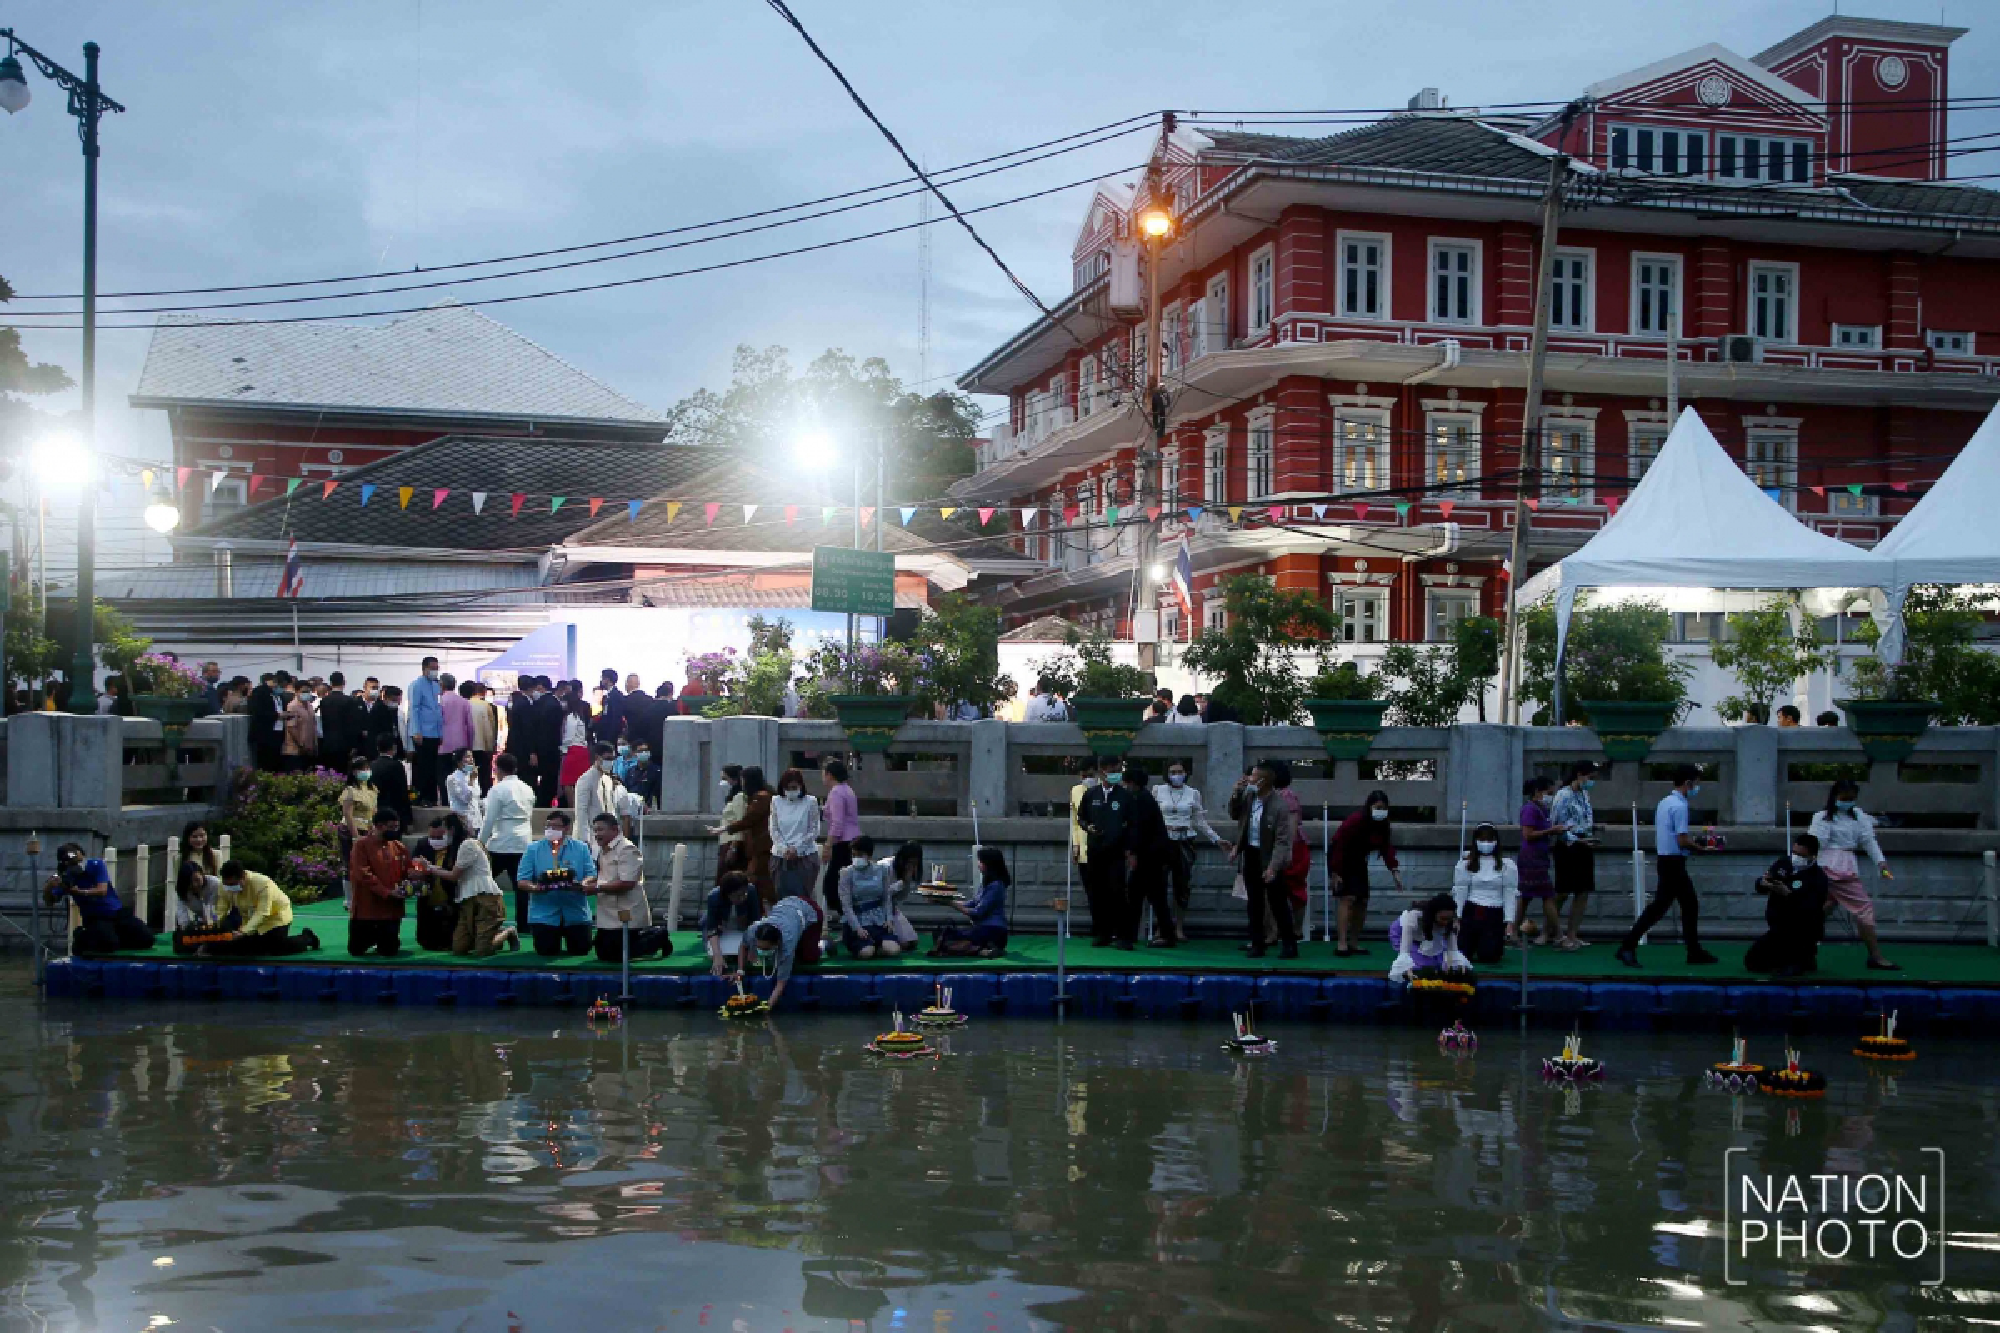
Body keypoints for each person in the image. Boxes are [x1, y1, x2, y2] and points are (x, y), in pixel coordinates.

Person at [1615, 765, 1718, 968]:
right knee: (1663, 908)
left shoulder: (1665, 802)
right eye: (1696, 783)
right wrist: (1701, 848)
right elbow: (1681, 840)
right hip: (1673, 862)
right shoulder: (1680, 807)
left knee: (1682, 905)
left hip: (1667, 860)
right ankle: (1628, 946)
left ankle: (1693, 950)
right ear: (1688, 783)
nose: (1697, 788)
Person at [1808, 779, 1899, 970]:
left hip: (1843, 865)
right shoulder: (1822, 817)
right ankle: (1875, 956)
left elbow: (1868, 841)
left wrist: (1881, 863)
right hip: (1831, 867)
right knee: (1863, 909)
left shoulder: (1859, 816)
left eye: (1852, 798)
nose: (1848, 802)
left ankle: (1803, 948)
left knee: (1824, 907)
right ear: (1834, 797)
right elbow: (1816, 842)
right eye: (1844, 798)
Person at [1227, 760, 1300, 958]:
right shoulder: (1249, 797)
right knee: (1254, 903)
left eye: (1254, 777)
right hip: (1251, 852)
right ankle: (1257, 943)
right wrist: (1236, 793)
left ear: (1264, 781)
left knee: (1277, 902)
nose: (1249, 779)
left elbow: (1282, 841)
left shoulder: (1279, 806)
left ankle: (1289, 943)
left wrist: (1273, 868)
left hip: (1269, 856)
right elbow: (1235, 815)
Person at [419, 811, 516, 957]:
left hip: (485, 897)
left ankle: (508, 932)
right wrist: (430, 866)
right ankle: (487, 936)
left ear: (452, 829)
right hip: (467, 898)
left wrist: (430, 868)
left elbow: (453, 876)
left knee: (483, 951)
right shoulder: (461, 846)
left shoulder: (468, 844)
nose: (442, 836)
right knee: (458, 949)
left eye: (443, 831)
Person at [1328, 790, 1404, 957]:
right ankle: (1342, 943)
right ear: (1369, 806)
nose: (1380, 811)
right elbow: (1339, 845)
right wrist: (1335, 871)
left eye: (1383, 808)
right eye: (1377, 807)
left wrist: (1394, 870)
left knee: (1362, 900)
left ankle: (1354, 941)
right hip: (1341, 857)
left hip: (1359, 860)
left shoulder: (1383, 824)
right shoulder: (1356, 820)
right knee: (1348, 898)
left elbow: (1386, 848)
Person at [588, 811, 671, 963]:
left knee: (616, 955)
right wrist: (590, 881)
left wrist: (597, 888)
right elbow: (608, 875)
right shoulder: (603, 849)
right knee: (602, 953)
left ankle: (659, 936)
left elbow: (627, 883)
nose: (596, 834)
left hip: (626, 910)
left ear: (615, 829)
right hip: (608, 910)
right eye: (595, 830)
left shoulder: (627, 849)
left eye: (600, 829)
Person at [1744, 832, 1832, 976]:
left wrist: (1789, 894)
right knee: (1753, 962)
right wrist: (1763, 883)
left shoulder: (1818, 878)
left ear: (1812, 856)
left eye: (1801, 855)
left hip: (1801, 931)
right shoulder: (1783, 864)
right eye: (1794, 853)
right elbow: (1761, 884)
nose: (1796, 858)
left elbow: (1811, 910)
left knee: (1788, 970)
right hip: (1779, 927)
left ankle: (1804, 956)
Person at [1152, 759, 1220, 941]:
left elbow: (1199, 821)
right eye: (1173, 771)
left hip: (1184, 841)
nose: (1177, 775)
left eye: (1180, 771)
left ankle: (1178, 927)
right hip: (1163, 842)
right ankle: (1161, 926)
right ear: (1167, 774)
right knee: (1159, 885)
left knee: (1181, 886)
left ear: (1186, 773)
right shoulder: (1158, 790)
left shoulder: (1193, 793)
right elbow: (1151, 817)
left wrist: (1216, 838)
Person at [46, 843, 156, 954]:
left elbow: (102, 890)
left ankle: (109, 937)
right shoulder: (67, 877)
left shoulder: (95, 864)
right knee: (109, 944)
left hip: (116, 912)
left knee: (147, 939)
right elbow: (50, 901)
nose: (78, 864)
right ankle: (83, 937)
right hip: (95, 917)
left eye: (77, 858)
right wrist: (50, 886)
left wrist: (80, 891)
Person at [1077, 756, 1137, 949]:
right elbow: (1081, 818)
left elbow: (1132, 825)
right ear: (1102, 771)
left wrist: (1130, 850)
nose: (1115, 774)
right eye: (1111, 770)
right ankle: (1102, 933)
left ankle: (1124, 936)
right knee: (1098, 893)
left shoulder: (1125, 796)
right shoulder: (1091, 794)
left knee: (1118, 892)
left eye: (1117, 770)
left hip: (1116, 852)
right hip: (1095, 851)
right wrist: (1088, 828)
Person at [517, 810, 595, 956]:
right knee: (546, 951)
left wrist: (582, 884)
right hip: (544, 913)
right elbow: (522, 881)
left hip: (575, 911)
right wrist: (536, 888)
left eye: (556, 826)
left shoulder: (581, 848)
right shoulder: (533, 849)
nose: (551, 830)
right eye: (548, 826)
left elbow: (591, 874)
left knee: (581, 950)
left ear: (567, 828)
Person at [1121, 764, 1179, 948]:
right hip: (1154, 856)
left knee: (1138, 897)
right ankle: (1164, 935)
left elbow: (1139, 831)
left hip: (1149, 857)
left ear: (1132, 783)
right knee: (1153, 898)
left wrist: (1132, 853)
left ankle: (1130, 937)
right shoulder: (1144, 798)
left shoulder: (1140, 801)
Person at [207, 862, 319, 956]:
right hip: (249, 920)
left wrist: (244, 931)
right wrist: (213, 923)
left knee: (274, 949)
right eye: (227, 884)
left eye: (232, 884)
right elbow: (221, 908)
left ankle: (307, 938)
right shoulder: (224, 885)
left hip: (275, 918)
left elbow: (262, 912)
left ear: (243, 877)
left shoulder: (262, 883)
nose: (229, 888)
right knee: (247, 948)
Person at [480, 753, 538, 932]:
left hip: (500, 842)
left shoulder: (497, 789)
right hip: (523, 841)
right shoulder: (527, 788)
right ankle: (524, 924)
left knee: (481, 879)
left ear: (497, 769)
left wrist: (479, 843)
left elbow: (489, 820)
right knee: (521, 886)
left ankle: (478, 915)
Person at [740, 895, 823, 1011]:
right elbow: (743, 946)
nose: (762, 951)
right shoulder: (753, 930)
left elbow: (781, 983)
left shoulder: (787, 944)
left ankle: (824, 944)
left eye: (766, 949)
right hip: (786, 903)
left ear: (777, 943)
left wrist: (768, 1007)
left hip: (810, 910)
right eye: (759, 947)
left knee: (809, 957)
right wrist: (740, 970)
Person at [347, 809, 413, 957]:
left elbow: (408, 870)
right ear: (379, 826)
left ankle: (388, 939)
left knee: (389, 951)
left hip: (391, 910)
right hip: (367, 908)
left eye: (396, 827)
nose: (395, 830)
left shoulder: (399, 847)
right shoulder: (361, 846)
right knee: (356, 951)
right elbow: (363, 874)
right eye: (392, 827)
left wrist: (416, 877)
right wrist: (387, 892)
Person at [1549, 762, 1599, 950]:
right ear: (1579, 775)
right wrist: (1577, 840)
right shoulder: (1563, 795)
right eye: (1590, 778)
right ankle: (1553, 931)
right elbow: (1557, 825)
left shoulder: (1584, 795)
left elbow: (1584, 819)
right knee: (1563, 890)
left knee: (1583, 890)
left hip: (1585, 843)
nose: (1591, 782)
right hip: (1568, 846)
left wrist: (1591, 831)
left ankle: (1573, 933)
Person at [1451, 825, 1518, 964]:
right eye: (1482, 839)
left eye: (1489, 840)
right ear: (1475, 841)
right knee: (1463, 954)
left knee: (1489, 956)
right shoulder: (1466, 864)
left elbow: (1509, 893)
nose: (1486, 843)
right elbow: (1461, 891)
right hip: (1472, 911)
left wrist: (1509, 921)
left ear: (1496, 841)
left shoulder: (1506, 865)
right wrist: (1457, 917)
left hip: (1494, 913)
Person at [932, 846, 1011, 957]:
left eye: (980, 861)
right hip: (983, 929)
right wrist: (945, 900)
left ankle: (981, 950)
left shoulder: (996, 886)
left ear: (988, 864)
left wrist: (950, 903)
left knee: (946, 939)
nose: (978, 863)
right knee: (941, 934)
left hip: (993, 931)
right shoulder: (987, 883)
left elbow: (977, 913)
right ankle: (981, 948)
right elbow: (971, 903)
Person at [836, 835, 902, 958]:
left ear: (869, 855)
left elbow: (886, 897)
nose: (856, 858)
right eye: (854, 855)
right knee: (866, 953)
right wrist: (857, 928)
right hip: (858, 919)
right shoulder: (846, 873)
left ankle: (876, 946)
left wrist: (889, 919)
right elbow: (846, 906)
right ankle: (863, 946)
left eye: (860, 855)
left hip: (878, 919)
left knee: (894, 950)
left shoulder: (882, 870)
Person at [1515, 775, 1563, 946]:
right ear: (1538, 791)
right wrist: (1550, 831)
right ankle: (1558, 935)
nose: (1551, 795)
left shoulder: (1542, 809)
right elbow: (1527, 834)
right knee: (1546, 895)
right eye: (1548, 792)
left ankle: (1513, 932)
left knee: (1528, 896)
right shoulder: (1530, 809)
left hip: (1540, 857)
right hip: (1531, 857)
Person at [766, 767, 822, 903]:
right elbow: (774, 828)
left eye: (794, 787)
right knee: (782, 897)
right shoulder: (776, 801)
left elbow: (814, 829)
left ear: (801, 786)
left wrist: (797, 848)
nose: (792, 791)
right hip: (780, 856)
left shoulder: (811, 801)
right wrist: (784, 848)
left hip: (805, 856)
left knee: (803, 897)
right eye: (788, 788)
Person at [1388, 893, 1470, 984]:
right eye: (1443, 919)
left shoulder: (1451, 921)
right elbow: (1405, 949)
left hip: (1429, 936)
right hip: (1403, 934)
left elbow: (1453, 949)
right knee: (1422, 966)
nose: (1446, 922)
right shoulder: (1414, 917)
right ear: (1433, 914)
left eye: (1449, 919)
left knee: (1441, 965)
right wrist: (1407, 969)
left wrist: (1459, 965)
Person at [725, 765, 775, 909]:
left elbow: (749, 820)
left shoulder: (760, 798)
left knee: (761, 884)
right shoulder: (764, 796)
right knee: (758, 883)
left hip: (762, 848)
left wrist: (727, 828)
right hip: (759, 848)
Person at [409, 818, 462, 951]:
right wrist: (417, 872)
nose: (435, 840)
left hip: (450, 896)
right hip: (428, 896)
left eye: (439, 837)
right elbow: (413, 866)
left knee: (450, 942)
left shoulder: (457, 848)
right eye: (432, 837)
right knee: (426, 942)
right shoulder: (422, 844)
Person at [702, 871, 761, 976]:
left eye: (744, 894)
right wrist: (717, 955)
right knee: (714, 956)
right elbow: (712, 929)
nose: (742, 898)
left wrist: (752, 947)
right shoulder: (714, 897)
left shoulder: (751, 891)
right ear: (727, 894)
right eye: (738, 895)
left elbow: (755, 922)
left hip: (742, 930)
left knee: (747, 955)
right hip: (722, 930)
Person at [819, 759, 859, 903]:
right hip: (852, 839)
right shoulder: (847, 789)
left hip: (842, 842)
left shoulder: (836, 792)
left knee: (832, 886)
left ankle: (845, 915)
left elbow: (837, 822)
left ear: (829, 774)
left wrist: (828, 845)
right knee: (844, 883)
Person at [407, 657, 445, 805]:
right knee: (423, 767)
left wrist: (440, 733)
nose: (435, 671)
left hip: (435, 733)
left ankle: (432, 797)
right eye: (432, 667)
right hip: (422, 733)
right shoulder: (416, 685)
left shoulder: (436, 686)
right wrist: (416, 731)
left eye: (437, 667)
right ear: (424, 669)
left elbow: (438, 710)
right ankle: (421, 797)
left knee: (433, 767)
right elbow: (414, 709)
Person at [574, 741, 624, 838]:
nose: (611, 762)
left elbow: (611, 810)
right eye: (607, 759)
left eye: (613, 759)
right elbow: (581, 812)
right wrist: (585, 839)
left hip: (607, 836)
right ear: (597, 758)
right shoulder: (585, 779)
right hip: (591, 836)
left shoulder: (608, 780)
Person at [171, 858, 220, 948]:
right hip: (200, 924)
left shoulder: (215, 884)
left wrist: (209, 925)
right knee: (180, 940)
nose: (195, 885)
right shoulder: (182, 891)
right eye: (190, 882)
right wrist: (187, 929)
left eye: (197, 880)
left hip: (217, 920)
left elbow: (213, 909)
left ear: (202, 874)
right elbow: (182, 913)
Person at [368, 734, 413, 829]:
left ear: (377, 748)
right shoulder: (396, 766)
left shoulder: (372, 765)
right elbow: (402, 793)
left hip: (376, 812)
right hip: (394, 814)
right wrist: (408, 819)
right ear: (393, 747)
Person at [557, 693, 593, 803]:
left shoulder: (571, 717)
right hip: (582, 751)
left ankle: (573, 809)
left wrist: (563, 752)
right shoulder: (580, 717)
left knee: (568, 782)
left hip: (573, 751)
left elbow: (569, 738)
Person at [714, 763, 748, 876]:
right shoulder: (733, 797)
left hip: (731, 844)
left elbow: (739, 823)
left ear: (734, 779)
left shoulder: (740, 797)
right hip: (726, 841)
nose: (723, 782)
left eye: (725, 778)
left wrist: (733, 848)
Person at [248, 671, 286, 771]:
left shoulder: (278, 696)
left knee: (276, 762)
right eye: (274, 682)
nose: (276, 684)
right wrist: (277, 715)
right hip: (264, 733)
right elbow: (258, 712)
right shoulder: (260, 692)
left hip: (278, 731)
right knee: (265, 763)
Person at [466, 680, 499, 792]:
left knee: (470, 775)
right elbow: (489, 728)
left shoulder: (465, 704)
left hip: (468, 747)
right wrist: (491, 746)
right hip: (483, 746)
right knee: (484, 775)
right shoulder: (487, 706)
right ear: (484, 692)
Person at [281, 681, 317, 772]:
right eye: (303, 692)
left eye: (308, 692)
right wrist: (301, 744)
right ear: (296, 692)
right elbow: (291, 727)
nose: (306, 694)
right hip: (295, 750)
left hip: (309, 749)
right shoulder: (292, 706)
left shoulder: (309, 706)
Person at [446, 749, 485, 832]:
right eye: (467, 756)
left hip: (477, 821)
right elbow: (466, 799)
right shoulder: (452, 778)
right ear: (459, 761)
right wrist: (471, 781)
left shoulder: (472, 775)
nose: (471, 759)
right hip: (462, 821)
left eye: (472, 756)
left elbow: (477, 795)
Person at [367, 682, 404, 762]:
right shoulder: (378, 710)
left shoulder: (393, 710)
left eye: (398, 701)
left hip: (392, 749)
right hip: (381, 751)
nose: (397, 703)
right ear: (386, 698)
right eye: (394, 700)